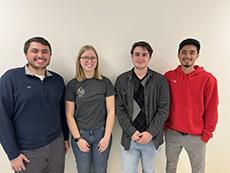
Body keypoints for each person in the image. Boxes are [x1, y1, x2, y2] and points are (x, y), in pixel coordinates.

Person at [0, 37, 69, 173]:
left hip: (56, 145)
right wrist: (12, 154)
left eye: (45, 51)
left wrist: (66, 137)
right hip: (27, 152)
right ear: (26, 54)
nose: (40, 55)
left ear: (50, 55)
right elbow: (2, 118)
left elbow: (61, 111)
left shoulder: (57, 80)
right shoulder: (11, 78)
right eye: (35, 51)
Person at [164, 38, 218, 173]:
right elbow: (163, 105)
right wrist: (165, 128)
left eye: (192, 52)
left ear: (197, 55)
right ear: (178, 54)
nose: (187, 56)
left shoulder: (208, 79)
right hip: (172, 133)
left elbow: (212, 109)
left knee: (198, 170)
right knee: (170, 167)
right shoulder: (169, 76)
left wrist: (206, 134)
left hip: (197, 136)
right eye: (184, 52)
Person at [115, 41, 170, 173]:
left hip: (151, 139)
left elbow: (164, 109)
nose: (140, 58)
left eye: (144, 54)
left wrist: (150, 133)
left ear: (150, 57)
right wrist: (131, 131)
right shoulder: (122, 80)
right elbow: (119, 109)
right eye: (137, 54)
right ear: (132, 56)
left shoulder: (160, 81)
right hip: (130, 139)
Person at [65, 45, 115, 173]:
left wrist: (107, 137)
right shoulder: (72, 85)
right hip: (81, 135)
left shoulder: (105, 83)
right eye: (85, 58)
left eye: (93, 58)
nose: (89, 61)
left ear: (97, 61)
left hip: (101, 134)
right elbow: (69, 114)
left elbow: (111, 111)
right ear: (79, 61)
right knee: (83, 170)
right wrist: (78, 139)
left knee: (100, 169)